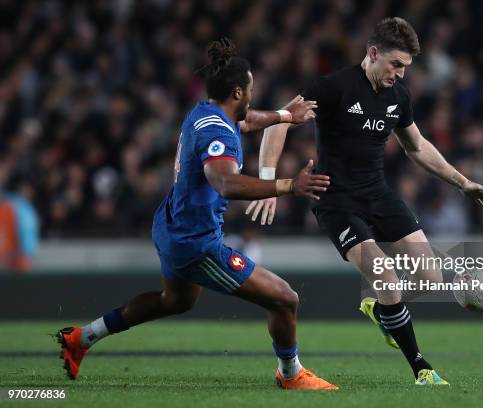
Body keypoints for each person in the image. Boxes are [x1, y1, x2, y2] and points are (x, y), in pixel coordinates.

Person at [56, 38, 337, 391]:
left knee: (174, 300)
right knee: (285, 298)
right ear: (238, 91)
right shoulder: (220, 130)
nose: (253, 92)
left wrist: (284, 116)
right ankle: (290, 373)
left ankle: (81, 338)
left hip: (171, 224)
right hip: (196, 242)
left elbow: (247, 120)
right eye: (250, 87)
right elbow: (225, 183)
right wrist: (288, 186)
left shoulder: (205, 111)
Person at [246, 18, 483, 386]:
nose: (400, 73)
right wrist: (268, 182)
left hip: (378, 195)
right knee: (385, 274)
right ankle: (421, 368)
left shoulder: (398, 97)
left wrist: (462, 183)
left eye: (406, 67)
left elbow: (417, 147)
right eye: (396, 64)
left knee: (429, 277)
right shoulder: (334, 87)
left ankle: (382, 310)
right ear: (373, 54)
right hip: (336, 201)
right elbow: (278, 123)